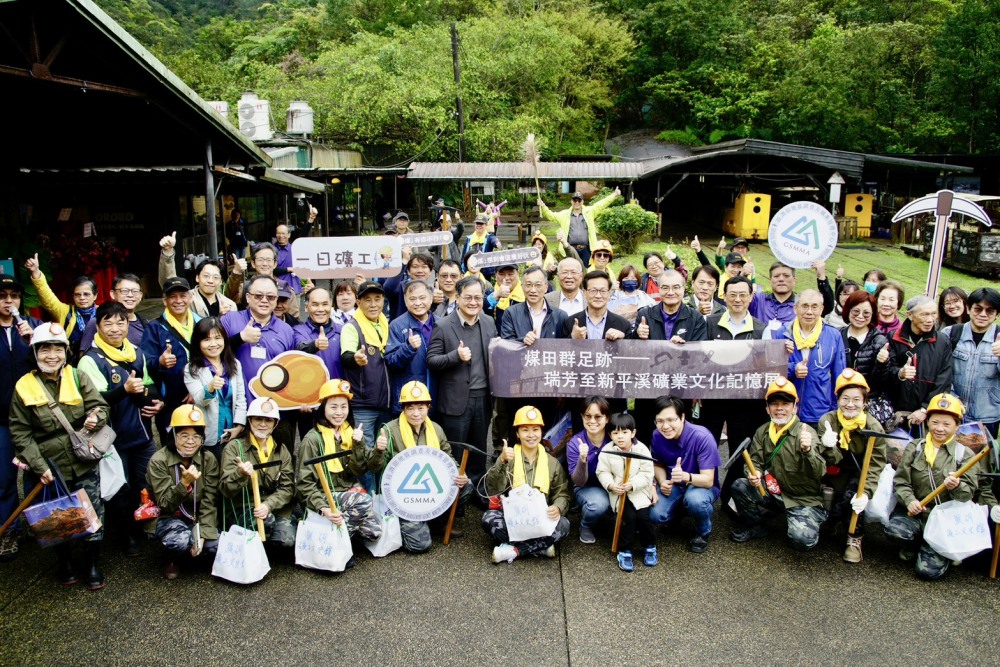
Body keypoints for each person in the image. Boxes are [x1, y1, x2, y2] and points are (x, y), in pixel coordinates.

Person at [10, 322, 110, 588]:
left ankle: (91, 564)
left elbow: (101, 407)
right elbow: (20, 432)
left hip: (82, 459)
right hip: (47, 464)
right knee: (55, 518)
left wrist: (94, 418)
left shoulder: (77, 377)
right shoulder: (24, 386)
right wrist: (38, 465)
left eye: (57, 348)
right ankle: (65, 563)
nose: (51, 355)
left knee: (91, 512)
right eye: (45, 349)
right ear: (35, 352)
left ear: (66, 351)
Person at [77, 302, 161, 556]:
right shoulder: (89, 361)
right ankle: (127, 535)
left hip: (142, 434)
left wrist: (156, 401)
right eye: (108, 323)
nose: (115, 328)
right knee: (118, 489)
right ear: (97, 326)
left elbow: (148, 385)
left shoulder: (136, 352)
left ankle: (146, 525)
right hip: (111, 440)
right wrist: (124, 390)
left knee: (146, 482)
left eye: (120, 322)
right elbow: (94, 401)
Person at [884, 393, 983, 580]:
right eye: (935, 422)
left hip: (944, 521)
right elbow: (901, 481)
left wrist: (957, 485)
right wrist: (910, 500)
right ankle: (916, 543)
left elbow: (966, 496)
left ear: (957, 426)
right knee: (894, 530)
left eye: (947, 424)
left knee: (926, 572)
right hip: (917, 513)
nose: (940, 428)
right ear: (927, 421)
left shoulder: (965, 455)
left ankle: (940, 549)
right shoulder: (915, 447)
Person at [730, 378, 827, 551]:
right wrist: (754, 473)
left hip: (802, 499)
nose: (779, 408)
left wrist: (807, 450)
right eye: (774, 404)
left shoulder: (806, 433)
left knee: (802, 540)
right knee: (740, 486)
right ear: (767, 408)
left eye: (785, 403)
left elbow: (820, 472)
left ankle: (815, 516)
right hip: (773, 490)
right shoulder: (763, 431)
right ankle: (756, 526)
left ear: (795, 407)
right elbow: (755, 461)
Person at [377, 381, 471, 552]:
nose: (415, 414)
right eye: (410, 408)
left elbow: (447, 456)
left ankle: (436, 521)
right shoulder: (389, 430)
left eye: (421, 408)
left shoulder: (435, 429)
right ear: (403, 409)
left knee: (465, 486)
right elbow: (376, 468)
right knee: (419, 545)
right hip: (403, 496)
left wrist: (459, 473)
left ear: (428, 407)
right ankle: (403, 524)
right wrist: (378, 450)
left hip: (429, 489)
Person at [702, 276, 767, 507]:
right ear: (724, 296)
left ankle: (732, 498)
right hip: (713, 398)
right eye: (732, 294)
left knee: (741, 448)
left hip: (746, 402)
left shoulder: (762, 329)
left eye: (743, 294)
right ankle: (705, 493)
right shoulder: (709, 323)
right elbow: (698, 359)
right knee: (707, 445)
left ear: (751, 297)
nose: (737, 299)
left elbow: (767, 364)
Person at [297, 380, 383, 554]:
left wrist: (377, 450)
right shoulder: (312, 439)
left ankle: (338, 532)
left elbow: (363, 469)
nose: (339, 412)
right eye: (333, 407)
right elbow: (304, 484)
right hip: (323, 494)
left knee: (374, 532)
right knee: (364, 502)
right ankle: (335, 545)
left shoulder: (350, 432)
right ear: (323, 408)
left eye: (344, 407)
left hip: (346, 490)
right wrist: (323, 509)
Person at [427, 276, 497, 484]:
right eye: (468, 297)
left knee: (479, 449)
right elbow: (431, 360)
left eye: (478, 297)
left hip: (483, 397)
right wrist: (455, 356)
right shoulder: (444, 325)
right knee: (455, 450)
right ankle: (454, 496)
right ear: (457, 298)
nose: (474, 302)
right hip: (455, 400)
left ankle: (477, 488)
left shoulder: (488, 321)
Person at [815, 370, 888, 562]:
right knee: (828, 497)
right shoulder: (828, 421)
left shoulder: (874, 428)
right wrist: (826, 445)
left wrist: (867, 492)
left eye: (856, 399)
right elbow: (822, 460)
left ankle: (854, 538)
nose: (850, 404)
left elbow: (875, 464)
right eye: (845, 398)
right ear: (837, 399)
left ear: (865, 402)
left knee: (853, 499)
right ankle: (831, 519)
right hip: (834, 471)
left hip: (859, 474)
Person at [483, 406, 570, 563]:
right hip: (513, 518)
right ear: (517, 433)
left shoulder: (552, 462)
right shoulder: (508, 457)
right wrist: (501, 462)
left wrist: (557, 507)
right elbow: (493, 488)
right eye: (525, 430)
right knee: (488, 519)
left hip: (541, 518)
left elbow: (562, 493)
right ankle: (541, 547)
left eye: (535, 429)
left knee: (564, 525)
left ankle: (514, 550)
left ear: (541, 432)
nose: (531, 435)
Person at [633, 268, 707, 444]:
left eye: (676, 287)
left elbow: (700, 355)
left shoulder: (695, 318)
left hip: (680, 390)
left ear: (684, 289)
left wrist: (681, 350)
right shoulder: (645, 315)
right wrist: (637, 335)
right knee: (644, 438)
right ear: (658, 289)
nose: (671, 292)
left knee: (678, 439)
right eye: (665, 287)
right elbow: (633, 352)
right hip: (648, 390)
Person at [146, 405, 220, 580]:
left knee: (216, 544)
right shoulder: (159, 460)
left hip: (197, 515)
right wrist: (184, 483)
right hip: (169, 516)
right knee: (180, 542)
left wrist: (204, 533)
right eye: (184, 435)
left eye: (196, 436)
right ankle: (173, 558)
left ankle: (196, 550)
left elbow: (210, 500)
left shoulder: (208, 459)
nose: (190, 441)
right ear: (173, 435)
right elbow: (165, 504)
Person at [0, 274, 42, 562]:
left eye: (13, 296)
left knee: (36, 472)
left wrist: (32, 340)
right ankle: (10, 529)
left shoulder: (32, 327)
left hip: (33, 415)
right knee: (3, 477)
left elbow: (51, 363)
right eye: (3, 296)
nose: (8, 302)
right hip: (1, 418)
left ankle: (39, 524)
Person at [647, 396, 721, 553]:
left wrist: (686, 477)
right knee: (654, 514)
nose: (665, 426)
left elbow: (708, 480)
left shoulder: (702, 437)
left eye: (671, 420)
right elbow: (658, 464)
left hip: (700, 486)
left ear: (682, 417)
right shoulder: (656, 435)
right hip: (675, 484)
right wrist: (662, 481)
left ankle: (703, 531)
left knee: (695, 500)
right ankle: (676, 517)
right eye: (659, 421)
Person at [221, 397, 296, 548]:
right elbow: (225, 489)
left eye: (268, 420)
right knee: (266, 522)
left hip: (271, 506)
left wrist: (268, 505)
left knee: (287, 540)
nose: (263, 424)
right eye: (258, 419)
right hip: (242, 507)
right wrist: (240, 474)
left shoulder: (281, 449)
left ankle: (265, 543)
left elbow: (287, 488)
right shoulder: (234, 448)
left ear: (275, 424)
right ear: (249, 421)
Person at [141, 276, 199, 444]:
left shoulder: (202, 323)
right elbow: (145, 363)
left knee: (199, 444)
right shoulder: (154, 328)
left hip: (201, 397)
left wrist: (199, 389)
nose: (178, 301)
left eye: (183, 295)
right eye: (172, 297)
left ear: (190, 297)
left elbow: (214, 359)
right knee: (174, 447)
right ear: (164, 300)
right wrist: (159, 362)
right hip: (170, 402)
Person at [595, 412, 656, 570]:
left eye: (624, 432)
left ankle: (649, 547)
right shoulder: (607, 451)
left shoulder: (641, 449)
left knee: (644, 518)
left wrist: (633, 484)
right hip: (619, 493)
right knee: (626, 518)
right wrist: (611, 485)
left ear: (633, 433)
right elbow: (603, 472)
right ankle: (625, 550)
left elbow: (647, 473)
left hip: (638, 492)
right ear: (610, 435)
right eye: (615, 433)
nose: (620, 437)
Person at [885, 295, 953, 432]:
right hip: (894, 412)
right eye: (924, 315)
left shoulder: (942, 342)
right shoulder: (894, 338)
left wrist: (925, 408)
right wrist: (900, 373)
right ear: (910, 315)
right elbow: (885, 373)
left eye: (933, 314)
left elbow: (944, 379)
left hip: (926, 416)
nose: (930, 320)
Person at [779, 289, 847, 429]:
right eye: (804, 306)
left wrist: (834, 409)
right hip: (787, 409)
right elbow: (772, 371)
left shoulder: (833, 336)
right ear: (795, 308)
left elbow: (839, 376)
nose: (809, 312)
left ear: (821, 309)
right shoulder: (783, 334)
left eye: (814, 306)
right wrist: (792, 369)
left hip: (820, 411)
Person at [339, 280, 393, 447]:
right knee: (365, 454)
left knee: (383, 452)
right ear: (358, 302)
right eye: (367, 300)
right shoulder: (351, 327)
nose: (373, 304)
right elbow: (346, 356)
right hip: (363, 405)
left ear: (383, 301)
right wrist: (355, 358)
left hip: (385, 404)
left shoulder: (385, 324)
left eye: (377, 299)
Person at [184, 317, 246, 461]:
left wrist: (239, 426)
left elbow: (240, 399)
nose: (213, 344)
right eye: (206, 339)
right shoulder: (191, 369)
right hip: (209, 434)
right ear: (198, 343)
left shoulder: (235, 364)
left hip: (232, 433)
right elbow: (199, 400)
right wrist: (210, 387)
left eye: (217, 338)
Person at [945, 287, 1000, 438]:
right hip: (951, 412)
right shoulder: (950, 333)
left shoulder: (999, 338)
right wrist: (952, 397)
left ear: (997, 314)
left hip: (988, 417)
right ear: (968, 309)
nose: (983, 314)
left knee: (980, 460)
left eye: (990, 311)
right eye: (978, 309)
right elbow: (939, 372)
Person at [24, 254, 96, 361]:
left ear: (95, 295)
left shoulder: (104, 313)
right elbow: (47, 297)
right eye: (77, 294)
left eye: (86, 294)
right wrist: (35, 272)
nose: (82, 298)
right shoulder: (65, 311)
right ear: (73, 296)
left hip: (98, 364)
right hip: (72, 365)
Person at [839, 290, 892, 426]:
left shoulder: (879, 341)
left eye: (866, 313)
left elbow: (879, 383)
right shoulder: (837, 334)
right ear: (848, 310)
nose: (860, 316)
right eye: (856, 311)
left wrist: (882, 363)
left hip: (866, 404)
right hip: (838, 400)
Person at [566, 396, 613, 544]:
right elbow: (578, 481)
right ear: (582, 417)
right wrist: (583, 458)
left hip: (613, 484)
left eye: (598, 416)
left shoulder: (615, 437)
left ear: (607, 419)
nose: (592, 421)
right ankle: (585, 525)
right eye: (588, 416)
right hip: (587, 487)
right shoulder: (575, 443)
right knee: (599, 504)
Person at [157, 233, 237, 317]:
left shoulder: (230, 305)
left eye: (215, 277)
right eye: (206, 276)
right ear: (197, 278)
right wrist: (168, 251)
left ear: (221, 281)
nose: (210, 281)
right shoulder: (185, 298)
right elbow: (169, 282)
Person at [386, 281, 436, 414]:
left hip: (437, 397)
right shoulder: (396, 326)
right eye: (412, 299)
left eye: (422, 298)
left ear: (431, 298)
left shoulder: (441, 323)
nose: (418, 303)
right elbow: (391, 362)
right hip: (409, 398)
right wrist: (409, 348)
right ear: (405, 301)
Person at [537, 188, 620, 268]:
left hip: (586, 249)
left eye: (579, 200)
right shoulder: (564, 215)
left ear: (582, 202)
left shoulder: (590, 212)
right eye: (574, 200)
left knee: (588, 271)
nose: (577, 202)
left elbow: (601, 204)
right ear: (571, 201)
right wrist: (543, 206)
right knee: (572, 270)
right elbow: (551, 216)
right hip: (571, 249)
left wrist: (614, 195)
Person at [225, 242, 298, 318]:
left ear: (275, 264)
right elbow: (229, 297)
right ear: (253, 263)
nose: (265, 263)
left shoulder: (285, 288)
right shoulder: (245, 287)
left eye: (269, 260)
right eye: (260, 260)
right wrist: (236, 272)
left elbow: (293, 319)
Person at [79, 273, 148, 350]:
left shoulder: (145, 323)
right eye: (124, 291)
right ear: (113, 294)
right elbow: (85, 356)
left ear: (141, 295)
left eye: (135, 291)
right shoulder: (97, 322)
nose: (130, 295)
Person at [562, 270, 629, 341]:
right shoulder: (570, 323)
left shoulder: (623, 325)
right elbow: (560, 349)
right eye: (593, 291)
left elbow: (632, 350)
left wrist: (622, 340)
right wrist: (573, 338)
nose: (598, 296)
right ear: (585, 293)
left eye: (603, 291)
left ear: (609, 294)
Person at [384, 252, 435, 321]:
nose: (420, 271)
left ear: (430, 272)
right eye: (415, 267)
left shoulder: (433, 292)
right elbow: (388, 287)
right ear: (408, 271)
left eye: (424, 267)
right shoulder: (400, 287)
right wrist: (404, 261)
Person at [748, 262, 799, 330]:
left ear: (794, 280)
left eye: (786, 276)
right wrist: (742, 275)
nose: (781, 279)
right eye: (776, 276)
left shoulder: (802, 305)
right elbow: (736, 298)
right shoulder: (757, 300)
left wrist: (819, 278)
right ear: (770, 281)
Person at [461, 214, 501, 279]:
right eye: (477, 223)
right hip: (469, 270)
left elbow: (494, 240)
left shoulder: (489, 238)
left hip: (484, 272)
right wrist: (462, 268)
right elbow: (463, 256)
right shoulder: (469, 239)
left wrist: (497, 243)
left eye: (481, 224)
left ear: (486, 225)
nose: (479, 225)